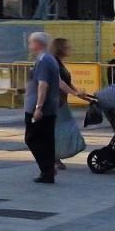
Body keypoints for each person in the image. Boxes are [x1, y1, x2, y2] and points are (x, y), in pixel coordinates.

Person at [49, 38, 93, 171]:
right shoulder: (52, 62)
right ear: (60, 48)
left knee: (62, 130)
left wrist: (81, 94)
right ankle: (53, 158)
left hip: (61, 102)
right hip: (54, 102)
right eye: (68, 46)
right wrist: (75, 92)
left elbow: (66, 82)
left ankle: (55, 157)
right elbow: (59, 82)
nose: (71, 49)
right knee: (60, 130)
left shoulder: (60, 63)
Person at [24, 31, 61, 183]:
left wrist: (38, 107)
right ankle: (48, 172)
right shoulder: (49, 59)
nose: (29, 46)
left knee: (32, 138)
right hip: (49, 107)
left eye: (31, 42)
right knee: (46, 139)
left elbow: (43, 84)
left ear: (38, 44)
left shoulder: (44, 60)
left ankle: (47, 168)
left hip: (41, 109)